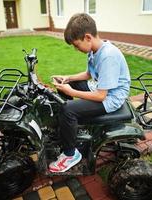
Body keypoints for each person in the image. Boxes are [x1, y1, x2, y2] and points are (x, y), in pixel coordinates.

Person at [49, 13, 131, 173]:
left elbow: (101, 96)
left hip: (111, 99)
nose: (76, 48)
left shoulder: (108, 56)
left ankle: (70, 155)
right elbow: (88, 74)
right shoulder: (94, 50)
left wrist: (71, 92)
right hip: (101, 90)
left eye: (76, 45)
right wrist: (68, 79)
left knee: (67, 109)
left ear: (87, 37)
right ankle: (72, 125)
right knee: (69, 86)